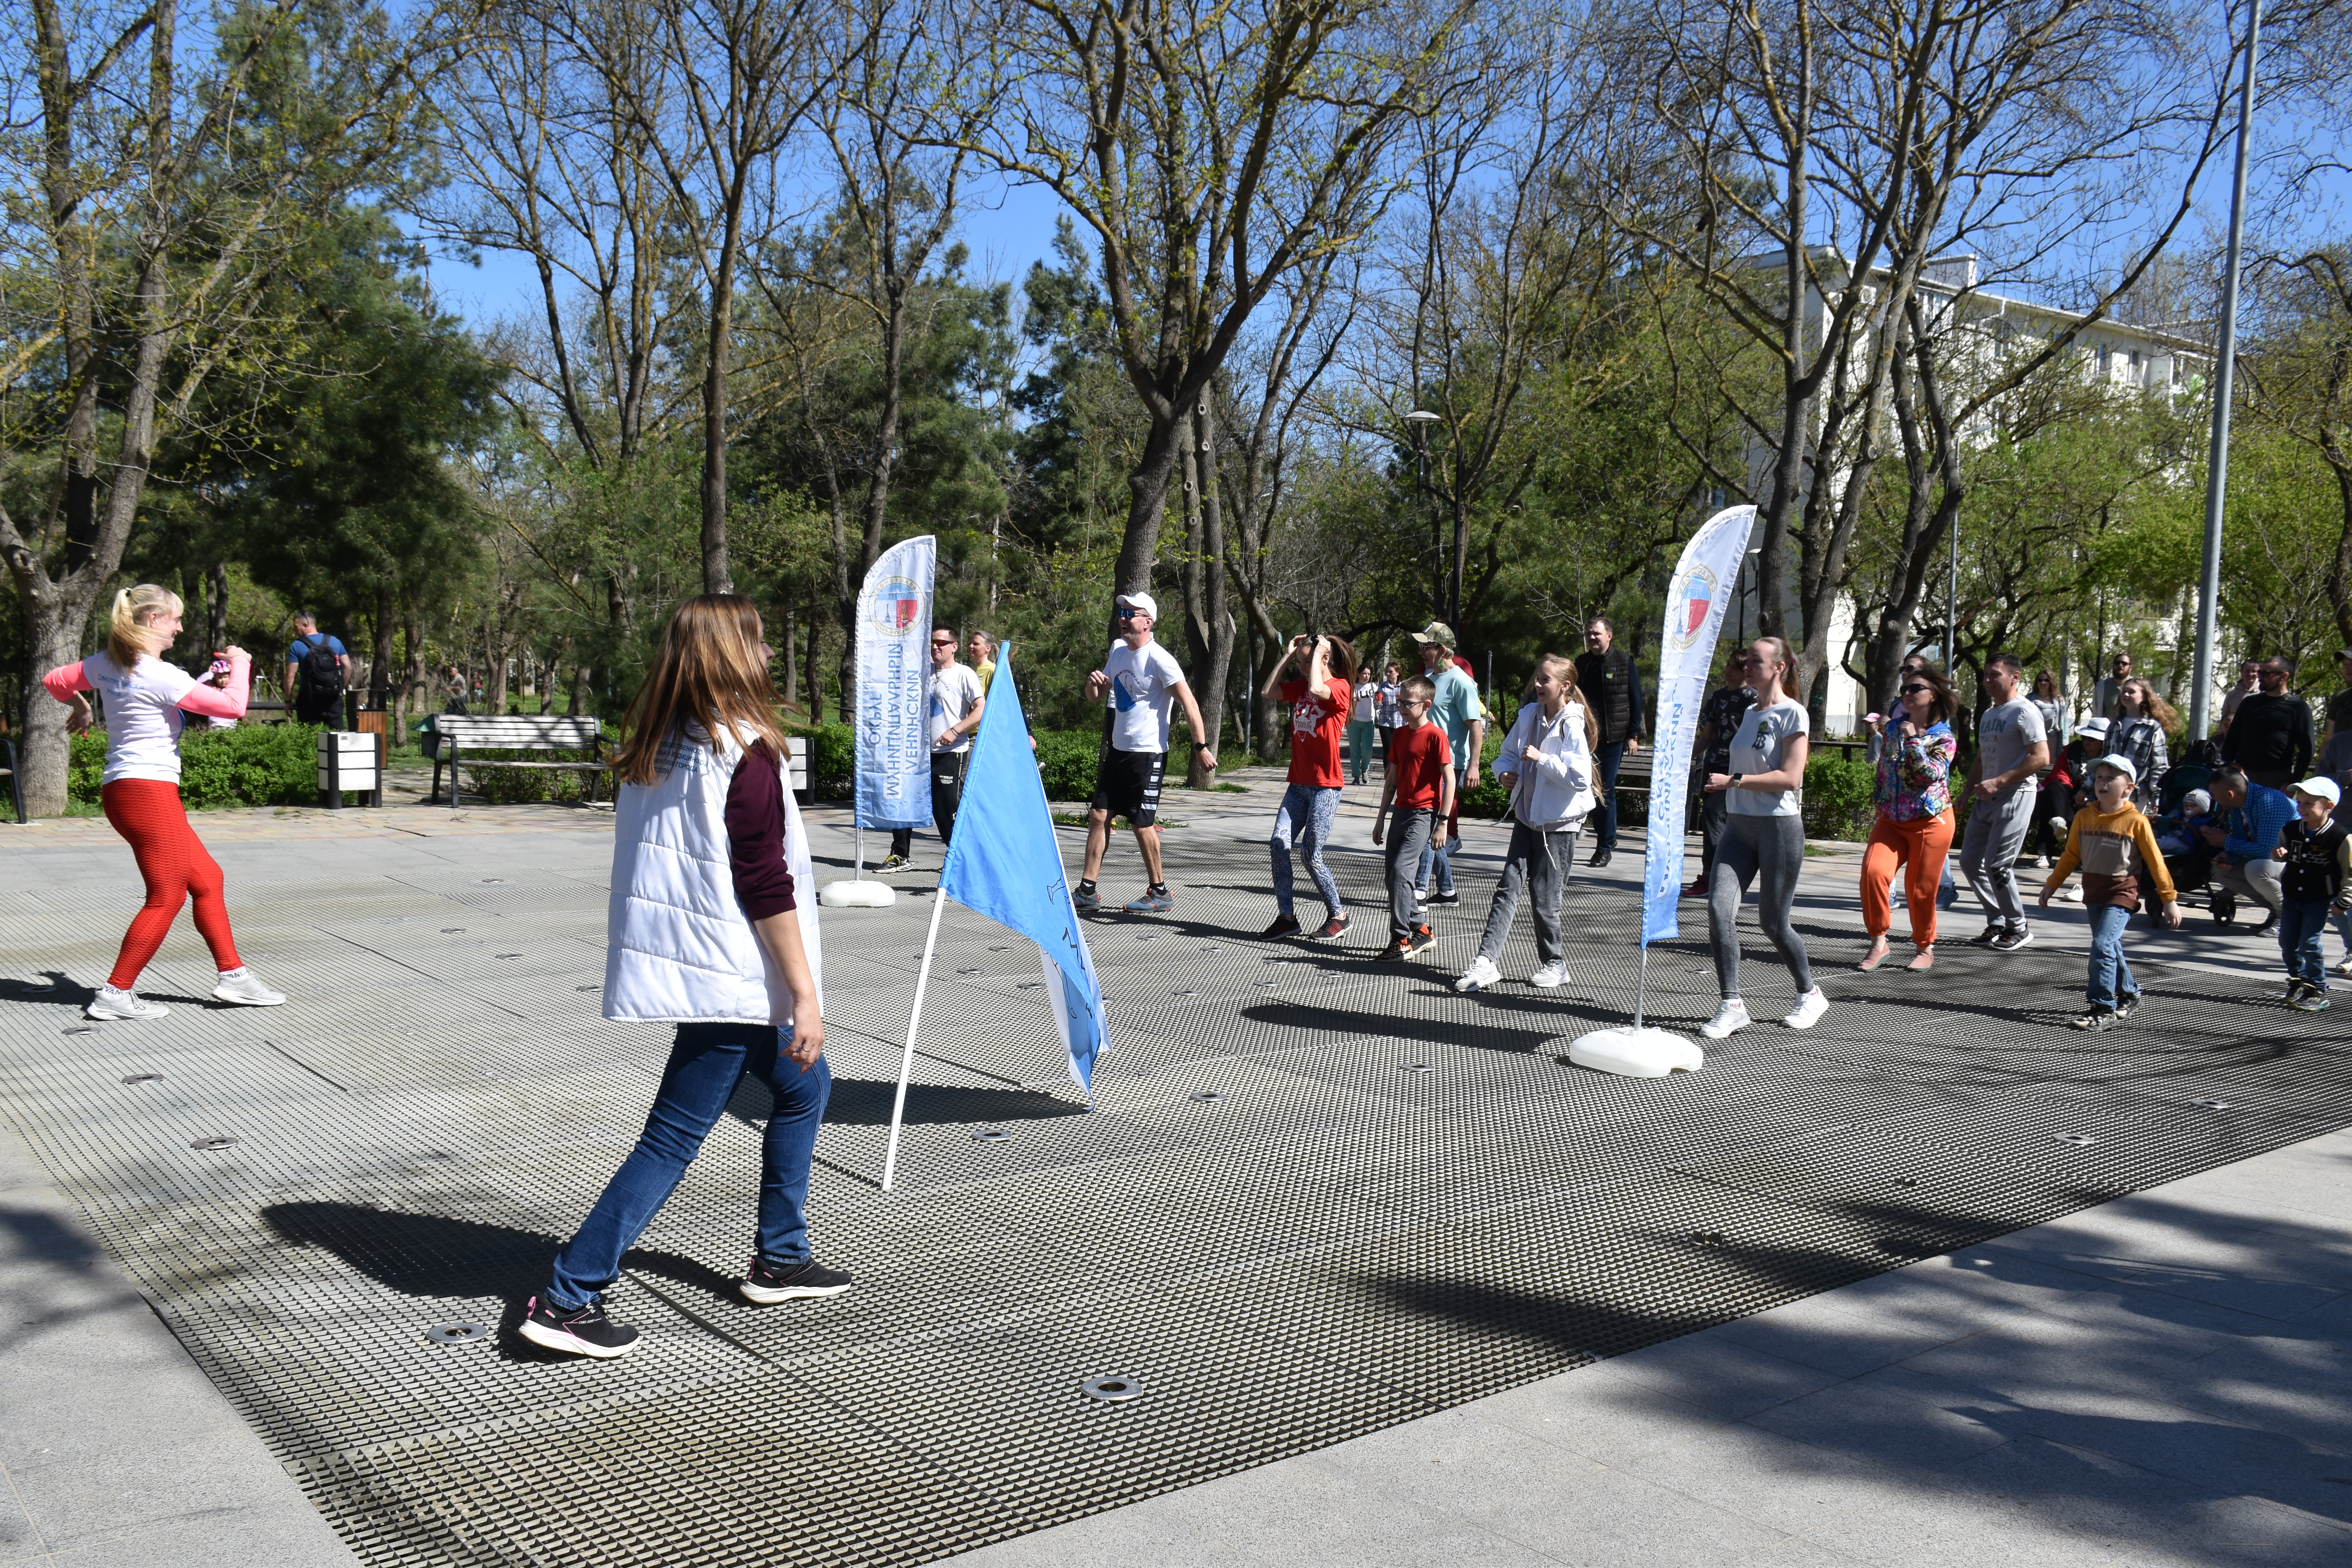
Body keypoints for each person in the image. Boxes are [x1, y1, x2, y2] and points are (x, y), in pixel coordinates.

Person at [521, 594, 846, 1359]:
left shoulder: (662, 743)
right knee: (672, 1138)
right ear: (731, 655)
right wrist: (804, 994)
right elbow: (767, 882)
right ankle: (570, 1293)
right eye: (759, 642)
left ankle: (782, 1253)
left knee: (806, 1085)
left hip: (699, 960)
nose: (769, 656)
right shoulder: (746, 750)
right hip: (730, 971)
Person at [41, 585, 285, 1019]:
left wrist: (81, 707)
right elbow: (233, 707)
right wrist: (243, 663)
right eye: (175, 619)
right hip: (148, 792)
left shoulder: (104, 664)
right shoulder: (159, 674)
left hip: (124, 790)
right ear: (152, 620)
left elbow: (53, 681)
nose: (180, 627)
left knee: (207, 878)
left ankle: (234, 977)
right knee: (167, 896)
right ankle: (115, 993)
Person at [1698, 637, 1828, 1038]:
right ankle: (1731, 1002)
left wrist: (1735, 779)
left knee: (1773, 923)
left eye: (1756, 661)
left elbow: (1791, 777)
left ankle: (1809, 993)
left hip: (1778, 829)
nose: (1747, 666)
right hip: (1739, 826)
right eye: (1746, 661)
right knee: (1719, 911)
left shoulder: (1794, 714)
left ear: (1780, 667)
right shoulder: (1750, 712)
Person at [1453, 654, 1598, 993]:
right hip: (1526, 817)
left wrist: (1541, 759)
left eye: (1545, 680)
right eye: (1537, 678)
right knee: (1507, 889)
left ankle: (1555, 963)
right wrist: (1503, 772)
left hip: (1558, 825)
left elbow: (1580, 779)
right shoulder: (1530, 715)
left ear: (1565, 687)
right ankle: (1486, 962)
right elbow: (1506, 754)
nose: (1537, 685)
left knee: (1545, 898)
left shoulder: (1570, 724)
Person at [1077, 592, 1216, 914]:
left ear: (1148, 621)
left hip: (1148, 754)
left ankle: (1160, 891)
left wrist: (1201, 747)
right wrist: (1093, 684)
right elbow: (1095, 698)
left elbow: (1191, 704)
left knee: (1142, 824)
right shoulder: (1118, 652)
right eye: (1122, 612)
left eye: (1131, 613)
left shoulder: (1160, 659)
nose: (1123, 618)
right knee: (1099, 816)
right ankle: (1087, 891)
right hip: (1118, 752)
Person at [2038, 754, 2182, 1030]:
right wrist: (2051, 885)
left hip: (2122, 892)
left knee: (2102, 945)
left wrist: (2169, 900)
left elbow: (2155, 862)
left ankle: (2103, 1007)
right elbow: (2070, 856)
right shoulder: (2083, 816)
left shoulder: (2136, 822)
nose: (2102, 783)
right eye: (2099, 778)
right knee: (2110, 946)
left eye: (2111, 778)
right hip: (2094, 891)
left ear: (2128, 788)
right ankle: (2129, 992)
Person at [1857, 664, 1958, 972]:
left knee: (1920, 890)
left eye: (1917, 689)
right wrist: (1880, 798)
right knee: (1873, 873)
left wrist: (1914, 740)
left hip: (1930, 821)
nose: (1908, 693)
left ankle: (1925, 948)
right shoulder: (1893, 727)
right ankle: (1879, 943)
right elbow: (1885, 768)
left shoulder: (1944, 738)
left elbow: (1929, 774)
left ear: (1934, 696)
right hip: (1891, 819)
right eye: (1906, 689)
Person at [1261, 633, 1356, 941]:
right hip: (1298, 785)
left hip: (1326, 787)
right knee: (1279, 843)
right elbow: (1268, 691)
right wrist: (1288, 656)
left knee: (1311, 855)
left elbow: (1318, 687)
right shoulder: (1301, 686)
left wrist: (1318, 654)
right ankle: (1287, 918)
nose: (1303, 668)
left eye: (1307, 661)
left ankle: (1339, 915)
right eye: (1300, 662)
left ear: (1324, 659)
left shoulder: (1339, 688)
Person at [1957, 654, 2051, 951]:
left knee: (1998, 865)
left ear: (2015, 677)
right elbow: (1982, 758)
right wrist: (1965, 792)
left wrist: (2000, 781)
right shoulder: (1988, 715)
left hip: (2015, 795)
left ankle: (2019, 927)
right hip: (1986, 796)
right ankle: (1997, 920)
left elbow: (2042, 757)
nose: (1988, 680)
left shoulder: (2025, 711)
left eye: (1995, 675)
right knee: (1970, 862)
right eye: (1986, 675)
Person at [880, 627, 986, 873]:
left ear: (954, 647)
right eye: (932, 643)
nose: (936, 647)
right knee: (904, 803)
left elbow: (981, 709)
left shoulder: (964, 674)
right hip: (915, 753)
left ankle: (959, 859)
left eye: (941, 642)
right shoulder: (922, 674)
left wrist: (956, 730)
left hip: (949, 752)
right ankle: (900, 855)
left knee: (944, 809)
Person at [1371, 673, 1451, 960]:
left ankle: (1401, 938)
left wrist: (1443, 822)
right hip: (1400, 812)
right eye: (1399, 701)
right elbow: (1391, 777)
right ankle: (1423, 930)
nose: (1402, 706)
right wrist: (1381, 818)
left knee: (1402, 872)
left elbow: (1449, 780)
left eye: (1408, 702)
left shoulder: (1435, 735)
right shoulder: (1401, 735)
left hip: (1424, 813)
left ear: (1426, 704)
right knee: (1392, 877)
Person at [1410, 622, 1485, 909]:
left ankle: (1419, 889)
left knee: (1430, 827)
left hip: (1449, 766)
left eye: (1426, 646)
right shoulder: (1427, 677)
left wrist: (1474, 766)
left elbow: (1475, 727)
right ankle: (1447, 891)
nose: (1421, 651)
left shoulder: (1461, 682)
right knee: (1430, 826)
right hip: (1425, 764)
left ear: (1442, 650)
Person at [2276, 777, 2352, 1012]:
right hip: (2292, 896)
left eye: (2309, 804)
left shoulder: (2340, 838)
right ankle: (2298, 980)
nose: (2302, 808)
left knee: (2309, 943)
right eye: (2300, 803)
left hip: (2319, 899)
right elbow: (2282, 851)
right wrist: (2278, 854)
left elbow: (2349, 870)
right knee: (2287, 942)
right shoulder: (2291, 829)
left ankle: (2318, 987)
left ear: (2329, 806)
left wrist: (2346, 898)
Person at [1574, 617, 1644, 868]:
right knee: (1590, 788)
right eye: (1589, 634)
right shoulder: (1582, 664)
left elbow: (1636, 701)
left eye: (1597, 634)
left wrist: (1633, 735)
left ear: (1609, 636)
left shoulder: (1624, 662)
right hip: (1587, 737)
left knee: (1604, 789)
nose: (1593, 638)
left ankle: (1604, 847)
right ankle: (1608, 836)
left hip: (1614, 739)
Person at [1686, 652, 1756, 897]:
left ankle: (1719, 877)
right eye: (1728, 665)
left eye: (1735, 668)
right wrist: (1688, 757)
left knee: (1724, 821)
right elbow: (1708, 736)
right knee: (1713, 819)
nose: (1729, 671)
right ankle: (1712, 876)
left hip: (1739, 768)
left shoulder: (1754, 699)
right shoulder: (1717, 697)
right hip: (1715, 765)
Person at [2205, 768, 2293, 935]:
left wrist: (2225, 841)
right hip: (2276, 865)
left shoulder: (2270, 801)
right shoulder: (2238, 805)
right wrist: (2228, 856)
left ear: (2230, 794)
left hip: (2300, 866)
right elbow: (2241, 840)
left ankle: (2289, 916)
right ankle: (2276, 911)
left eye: (2214, 795)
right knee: (2220, 871)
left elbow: (2268, 852)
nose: (2213, 799)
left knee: (2257, 869)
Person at [2221, 657, 2312, 791]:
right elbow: (2232, 740)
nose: (2260, 677)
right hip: (2243, 777)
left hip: (2277, 779)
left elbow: (2307, 749)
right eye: (2260, 673)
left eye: (2266, 673)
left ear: (2284, 677)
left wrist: (2293, 783)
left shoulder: (2298, 707)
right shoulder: (2249, 704)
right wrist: (2226, 772)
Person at [2028, 669, 2071, 866]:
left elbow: (2064, 725)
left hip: (2053, 741)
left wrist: (2065, 749)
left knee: (2051, 777)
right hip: (2035, 741)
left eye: (2046, 680)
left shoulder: (2059, 701)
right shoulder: (2030, 699)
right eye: (2040, 680)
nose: (2043, 683)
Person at [2111, 678, 2175, 806]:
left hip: (2137, 796)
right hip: (2112, 792)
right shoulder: (2114, 726)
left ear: (2144, 697)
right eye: (2124, 692)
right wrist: (2087, 787)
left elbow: (2159, 766)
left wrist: (2157, 798)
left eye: (2131, 692)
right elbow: (2105, 759)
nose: (2126, 695)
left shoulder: (2152, 728)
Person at [284, 612, 350, 726]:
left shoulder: (297, 645)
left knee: (309, 738)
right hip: (333, 699)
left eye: (296, 627)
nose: (295, 631)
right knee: (336, 739)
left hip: (309, 699)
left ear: (305, 625)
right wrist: (340, 689)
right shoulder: (335, 641)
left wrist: (288, 701)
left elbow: (290, 675)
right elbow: (348, 667)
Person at [2320, 649, 2352, 786]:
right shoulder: (2340, 699)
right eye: (2345, 664)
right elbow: (2328, 739)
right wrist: (2318, 781)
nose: (2348, 669)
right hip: (2341, 782)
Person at [1346, 664, 1379, 786]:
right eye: (1364, 673)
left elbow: (1379, 703)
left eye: (1369, 674)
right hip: (1354, 722)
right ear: (1359, 674)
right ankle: (1356, 776)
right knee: (1355, 751)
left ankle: (1365, 769)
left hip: (1368, 723)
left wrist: (1378, 717)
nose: (1367, 676)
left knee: (1367, 751)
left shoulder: (1374, 688)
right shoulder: (1352, 688)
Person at [2219, 657, 2262, 736]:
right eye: (2247, 671)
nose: (2250, 674)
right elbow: (2224, 718)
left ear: (2258, 674)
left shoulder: (2264, 693)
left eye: (2254, 671)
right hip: (2235, 736)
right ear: (2242, 672)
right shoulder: (2232, 695)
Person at [1374, 662, 1403, 773]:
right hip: (1386, 721)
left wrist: (1401, 701)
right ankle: (1388, 774)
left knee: (1400, 749)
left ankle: (1399, 772)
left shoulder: (1404, 686)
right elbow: (1377, 706)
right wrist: (1378, 701)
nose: (1388, 674)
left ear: (1398, 673)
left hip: (1401, 722)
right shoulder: (1382, 686)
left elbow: (1409, 703)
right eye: (1387, 672)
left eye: (1391, 672)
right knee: (1388, 748)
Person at [2092, 650, 2135, 720]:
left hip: (2130, 729)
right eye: (2117, 663)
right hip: (2107, 730)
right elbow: (2096, 712)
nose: (2120, 666)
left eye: (2124, 663)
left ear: (2131, 668)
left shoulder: (2137, 687)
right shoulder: (2102, 687)